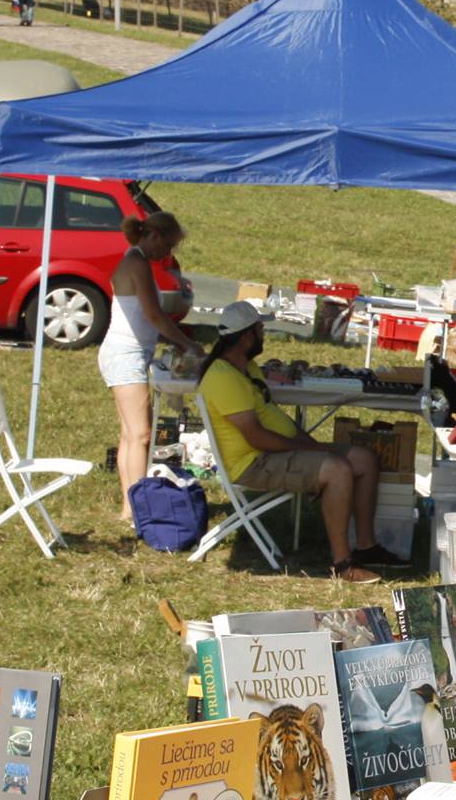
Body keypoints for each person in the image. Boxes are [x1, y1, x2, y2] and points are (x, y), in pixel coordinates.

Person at [201, 301, 406, 582]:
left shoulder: (247, 368)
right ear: (247, 336)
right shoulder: (223, 377)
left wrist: (311, 445)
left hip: (274, 453)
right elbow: (256, 436)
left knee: (364, 459)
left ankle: (367, 546)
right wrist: (311, 449)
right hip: (254, 462)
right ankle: (343, 564)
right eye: (261, 328)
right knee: (337, 469)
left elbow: (274, 419)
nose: (264, 334)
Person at [100, 211, 200, 526]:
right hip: (125, 353)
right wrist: (188, 344)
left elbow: (146, 320)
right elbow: (154, 315)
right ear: (154, 236)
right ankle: (135, 505)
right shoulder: (138, 264)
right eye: (168, 246)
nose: (167, 254)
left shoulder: (137, 260)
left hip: (131, 351)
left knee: (131, 434)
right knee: (141, 434)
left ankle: (131, 507)